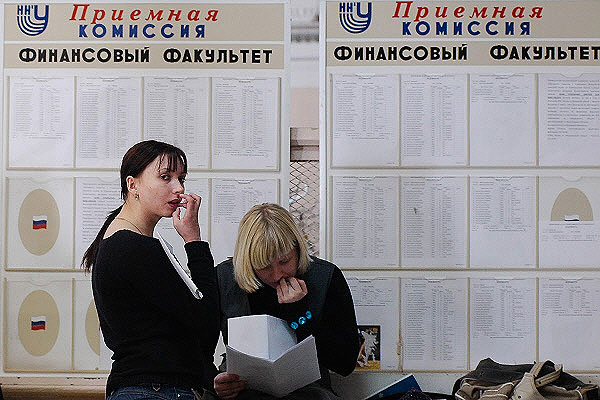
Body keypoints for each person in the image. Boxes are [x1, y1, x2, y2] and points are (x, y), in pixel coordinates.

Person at [81, 140, 220, 400]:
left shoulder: (123, 240)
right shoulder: (133, 246)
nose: (179, 189)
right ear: (132, 184)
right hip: (156, 390)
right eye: (165, 177)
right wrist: (194, 242)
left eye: (181, 179)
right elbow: (206, 322)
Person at [207, 203, 360, 400]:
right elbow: (197, 349)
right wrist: (214, 380)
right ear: (247, 261)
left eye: (284, 261)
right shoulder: (224, 278)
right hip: (244, 391)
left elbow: (345, 364)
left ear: (298, 249)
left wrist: (300, 314)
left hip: (309, 392)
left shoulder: (325, 277)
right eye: (263, 266)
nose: (276, 275)